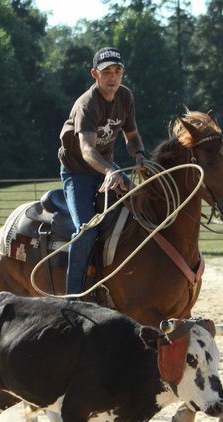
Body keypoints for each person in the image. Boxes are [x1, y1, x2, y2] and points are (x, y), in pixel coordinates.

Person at [57, 47, 147, 295]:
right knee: (86, 229)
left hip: (107, 168)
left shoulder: (125, 97)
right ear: (95, 74)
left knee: (141, 208)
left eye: (118, 71)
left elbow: (132, 136)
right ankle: (73, 297)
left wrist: (139, 155)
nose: (113, 76)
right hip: (78, 172)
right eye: (107, 71)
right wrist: (110, 171)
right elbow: (87, 151)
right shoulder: (86, 104)